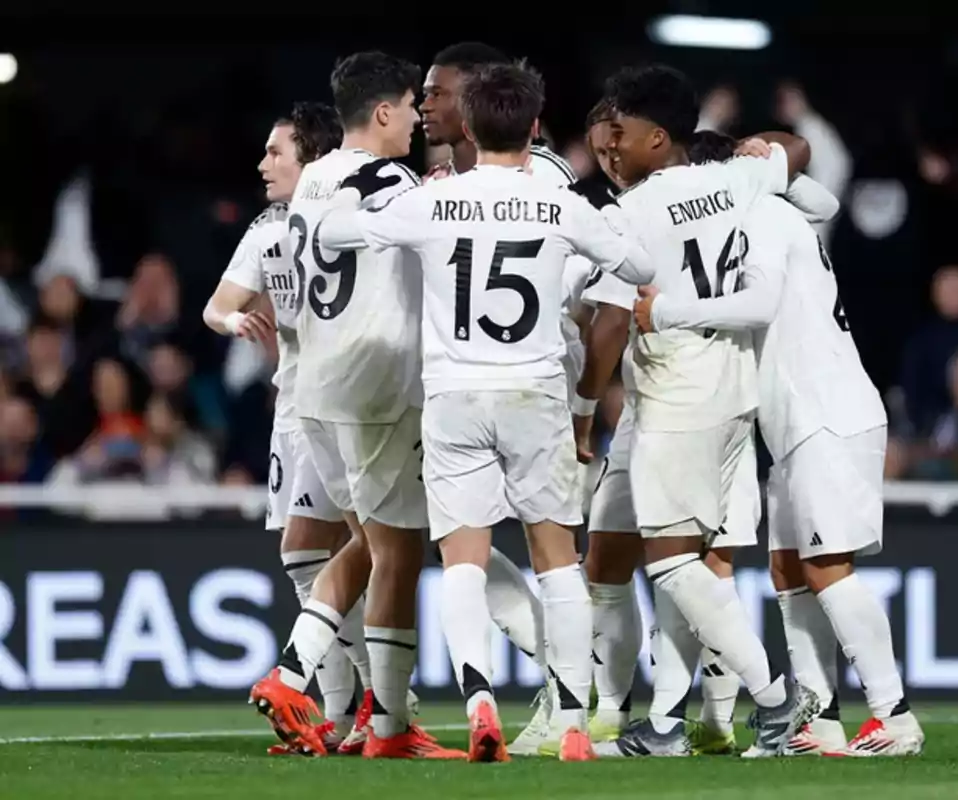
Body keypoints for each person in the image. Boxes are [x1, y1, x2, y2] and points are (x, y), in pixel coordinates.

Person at [318, 60, 657, 762]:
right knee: (556, 560)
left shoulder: (435, 199)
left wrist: (379, 207)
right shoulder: (559, 202)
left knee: (464, 561)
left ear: (467, 127)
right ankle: (569, 720)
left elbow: (336, 234)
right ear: (534, 128)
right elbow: (638, 264)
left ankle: (478, 702)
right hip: (535, 393)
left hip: (454, 397)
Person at [634, 130, 925, 757]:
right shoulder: (781, 210)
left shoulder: (762, 215)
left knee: (825, 567)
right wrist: (768, 166)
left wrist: (666, 312)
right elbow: (828, 204)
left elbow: (761, 302)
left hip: (826, 412)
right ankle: (817, 721)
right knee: (789, 571)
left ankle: (894, 716)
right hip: (793, 421)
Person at [579, 63, 817, 759]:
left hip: (678, 388)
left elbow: (609, 320)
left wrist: (582, 407)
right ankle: (668, 725)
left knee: (676, 564)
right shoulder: (736, 179)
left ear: (658, 137)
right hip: (736, 381)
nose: (612, 147)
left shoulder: (634, 211)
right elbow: (792, 148)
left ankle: (776, 702)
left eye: (620, 134)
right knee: (692, 560)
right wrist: (754, 146)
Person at [247, 51, 462, 760]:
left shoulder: (311, 183)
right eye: (408, 107)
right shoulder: (388, 180)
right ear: (381, 112)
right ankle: (379, 721)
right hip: (375, 386)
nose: (415, 120)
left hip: (316, 390)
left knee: (372, 546)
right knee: (396, 554)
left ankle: (333, 695)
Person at [418, 40, 592, 754]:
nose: (427, 105)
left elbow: (585, 281)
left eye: (437, 93)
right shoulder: (461, 180)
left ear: (472, 103)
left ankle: (554, 699)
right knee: (539, 556)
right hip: (517, 381)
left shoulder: (536, 174)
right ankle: (563, 698)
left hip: (513, 371)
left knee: (514, 553)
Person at [201, 103, 378, 754]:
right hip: (298, 408)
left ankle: (382, 704)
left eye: (276, 152)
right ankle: (343, 708)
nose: (262, 163)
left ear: (313, 160)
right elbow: (217, 308)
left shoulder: (360, 217)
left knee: (373, 547)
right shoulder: (271, 227)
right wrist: (235, 323)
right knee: (309, 553)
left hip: (352, 404)